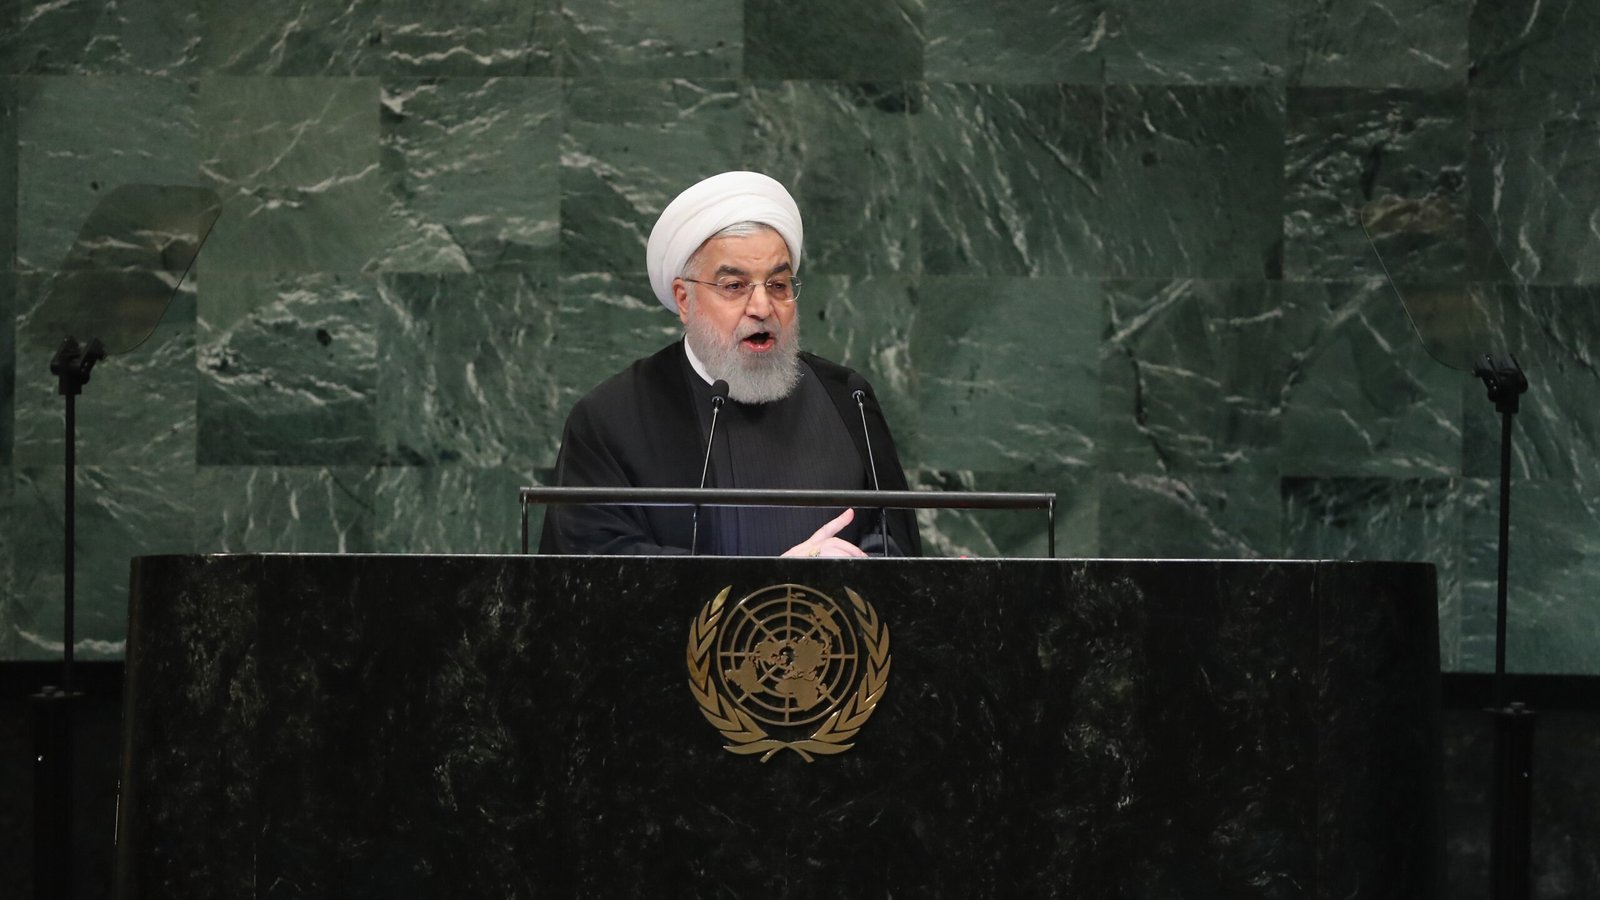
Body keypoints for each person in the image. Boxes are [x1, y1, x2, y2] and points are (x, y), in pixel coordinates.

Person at [539, 171, 921, 557]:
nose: (761, 308)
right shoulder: (612, 418)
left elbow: (896, 545)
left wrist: (852, 568)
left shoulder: (846, 398)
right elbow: (593, 574)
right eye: (734, 286)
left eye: (778, 285)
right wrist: (773, 585)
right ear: (684, 300)